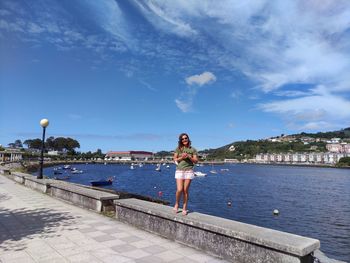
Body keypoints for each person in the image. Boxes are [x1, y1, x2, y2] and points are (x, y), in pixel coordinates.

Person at [173, 133, 198, 215]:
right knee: (179, 189)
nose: (184, 140)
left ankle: (184, 207)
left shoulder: (193, 149)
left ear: (188, 139)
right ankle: (176, 203)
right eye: (182, 139)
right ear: (180, 140)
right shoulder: (178, 149)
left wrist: (189, 157)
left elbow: (196, 161)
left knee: (185, 190)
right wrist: (182, 157)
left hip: (189, 171)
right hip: (179, 170)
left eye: (185, 138)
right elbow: (175, 160)